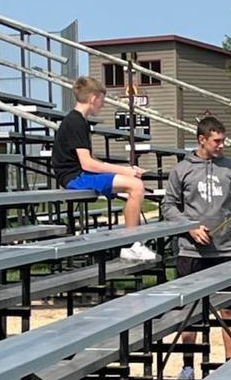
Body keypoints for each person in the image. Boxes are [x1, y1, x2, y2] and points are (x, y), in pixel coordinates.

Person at [161, 113, 231, 377]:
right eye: (217, 141)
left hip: (225, 250)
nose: (222, 145)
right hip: (191, 252)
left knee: (228, 308)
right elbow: (168, 206)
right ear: (202, 140)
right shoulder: (182, 169)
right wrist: (189, 227)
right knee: (188, 312)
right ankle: (188, 365)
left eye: (223, 141)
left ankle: (230, 363)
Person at [52, 75, 155, 261]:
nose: (103, 105)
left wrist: (124, 171)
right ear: (93, 98)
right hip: (74, 177)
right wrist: (125, 170)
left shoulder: (78, 120)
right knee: (136, 186)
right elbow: (87, 163)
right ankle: (132, 245)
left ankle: (134, 242)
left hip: (78, 174)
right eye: (102, 100)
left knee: (133, 187)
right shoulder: (75, 122)